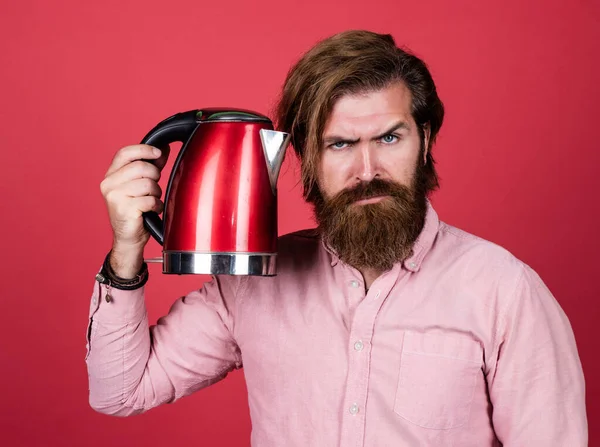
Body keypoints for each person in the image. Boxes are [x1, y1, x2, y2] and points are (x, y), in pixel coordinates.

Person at [86, 30, 588, 446]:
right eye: (340, 144)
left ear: (425, 139)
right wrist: (127, 250)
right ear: (304, 157)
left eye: (389, 138)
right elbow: (121, 391)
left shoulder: (505, 291)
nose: (367, 170)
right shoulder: (252, 281)